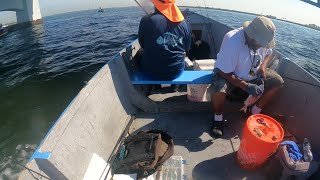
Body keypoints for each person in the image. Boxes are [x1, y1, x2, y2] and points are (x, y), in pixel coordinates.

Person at [210, 16, 284, 137]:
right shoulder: (232, 40)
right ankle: (218, 118)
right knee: (219, 88)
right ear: (250, 36)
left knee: (278, 82)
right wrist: (245, 85)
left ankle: (254, 111)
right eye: (259, 44)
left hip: (254, 74)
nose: (261, 47)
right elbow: (223, 72)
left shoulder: (263, 42)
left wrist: (263, 67)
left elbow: (271, 53)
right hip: (229, 74)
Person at [137, 0, 191, 80]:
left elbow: (142, 44)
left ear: (156, 5)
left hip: (150, 71)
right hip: (177, 71)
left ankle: (150, 88)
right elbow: (187, 48)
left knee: (138, 54)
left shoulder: (146, 20)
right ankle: (175, 87)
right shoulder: (185, 23)